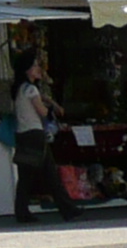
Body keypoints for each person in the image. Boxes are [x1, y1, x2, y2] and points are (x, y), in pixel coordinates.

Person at [11, 57, 78, 221]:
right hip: (35, 133)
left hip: (23, 134)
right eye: (34, 66)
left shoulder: (20, 89)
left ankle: (22, 212)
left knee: (26, 176)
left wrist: (47, 99)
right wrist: (51, 109)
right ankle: (67, 208)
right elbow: (42, 111)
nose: (38, 69)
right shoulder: (31, 90)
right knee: (50, 173)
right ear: (27, 70)